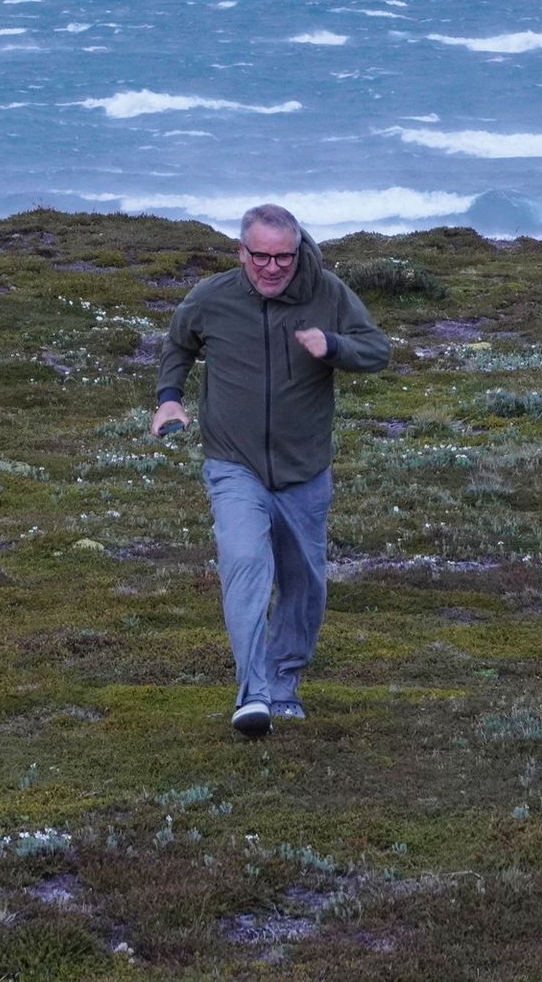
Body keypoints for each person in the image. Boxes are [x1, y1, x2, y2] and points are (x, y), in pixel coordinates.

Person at [151, 204, 390, 736]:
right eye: (260, 256)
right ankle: (253, 694)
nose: (272, 267)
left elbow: (376, 350)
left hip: (305, 469)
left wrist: (333, 346)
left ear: (298, 251)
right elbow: (179, 343)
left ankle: (284, 686)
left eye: (284, 256)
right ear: (242, 252)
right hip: (233, 464)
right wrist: (169, 398)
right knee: (244, 563)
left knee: (303, 586)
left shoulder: (327, 293)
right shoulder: (212, 297)